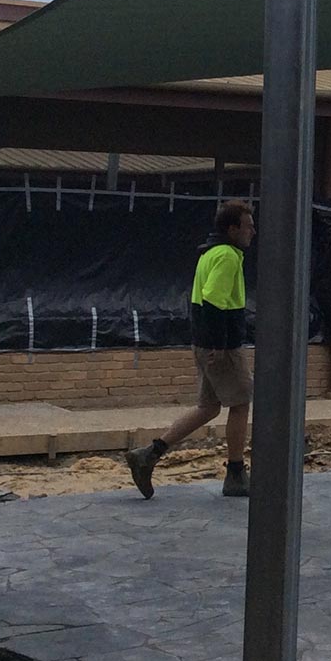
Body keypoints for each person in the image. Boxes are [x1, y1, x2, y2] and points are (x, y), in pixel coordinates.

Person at [126, 200, 256, 499]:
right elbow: (212, 300)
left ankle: (149, 455)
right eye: (248, 226)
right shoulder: (227, 256)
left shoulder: (210, 253)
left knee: (209, 407)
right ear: (232, 229)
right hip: (222, 348)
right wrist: (219, 346)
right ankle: (236, 473)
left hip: (204, 343)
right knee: (240, 403)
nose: (253, 231)